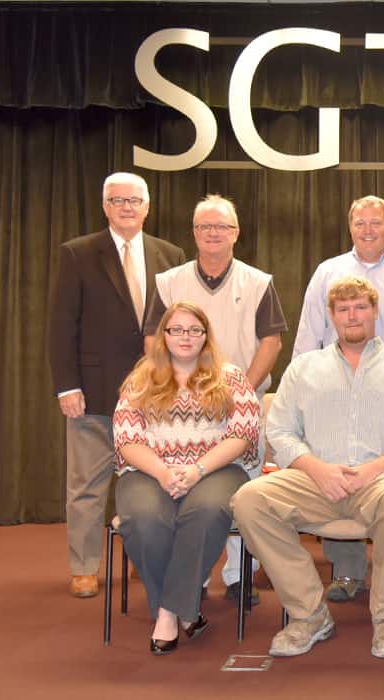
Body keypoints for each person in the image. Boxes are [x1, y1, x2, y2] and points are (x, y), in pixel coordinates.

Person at [232, 277, 384, 660]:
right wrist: (317, 470)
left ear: (375, 312)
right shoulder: (303, 367)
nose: (352, 315)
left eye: (360, 307)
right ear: (331, 316)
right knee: (249, 500)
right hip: (315, 479)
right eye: (343, 309)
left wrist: (377, 468)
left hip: (382, 479)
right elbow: (280, 430)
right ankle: (310, 615)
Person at [293, 195, 384, 603]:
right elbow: (308, 336)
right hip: (336, 397)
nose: (368, 229)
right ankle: (347, 571)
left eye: (376, 223)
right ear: (350, 227)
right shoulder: (328, 272)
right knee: (338, 474)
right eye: (360, 223)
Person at [144, 194, 287, 606]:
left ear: (235, 233)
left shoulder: (258, 281)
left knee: (245, 492)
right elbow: (154, 340)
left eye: (221, 226)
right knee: (189, 492)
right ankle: (197, 576)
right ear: (193, 233)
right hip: (179, 411)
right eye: (205, 226)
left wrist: (239, 391)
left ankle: (241, 574)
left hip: (240, 408)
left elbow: (272, 342)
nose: (212, 233)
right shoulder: (169, 282)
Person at [48, 172, 185, 598]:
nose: (127, 207)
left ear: (148, 206)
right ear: (105, 207)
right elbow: (60, 324)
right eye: (118, 200)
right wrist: (66, 385)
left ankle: (148, 557)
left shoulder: (171, 254)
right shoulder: (78, 253)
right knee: (87, 485)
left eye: (135, 200)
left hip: (157, 396)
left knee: (154, 484)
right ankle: (85, 566)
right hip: (95, 391)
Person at [113, 301, 260, 655]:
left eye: (194, 330)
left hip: (216, 470)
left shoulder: (231, 377)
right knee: (142, 519)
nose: (185, 337)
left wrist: (197, 470)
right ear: (163, 335)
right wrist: (164, 472)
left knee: (206, 512)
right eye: (176, 329)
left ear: (205, 336)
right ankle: (185, 609)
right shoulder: (139, 380)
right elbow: (127, 440)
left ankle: (167, 611)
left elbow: (243, 434)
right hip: (149, 471)